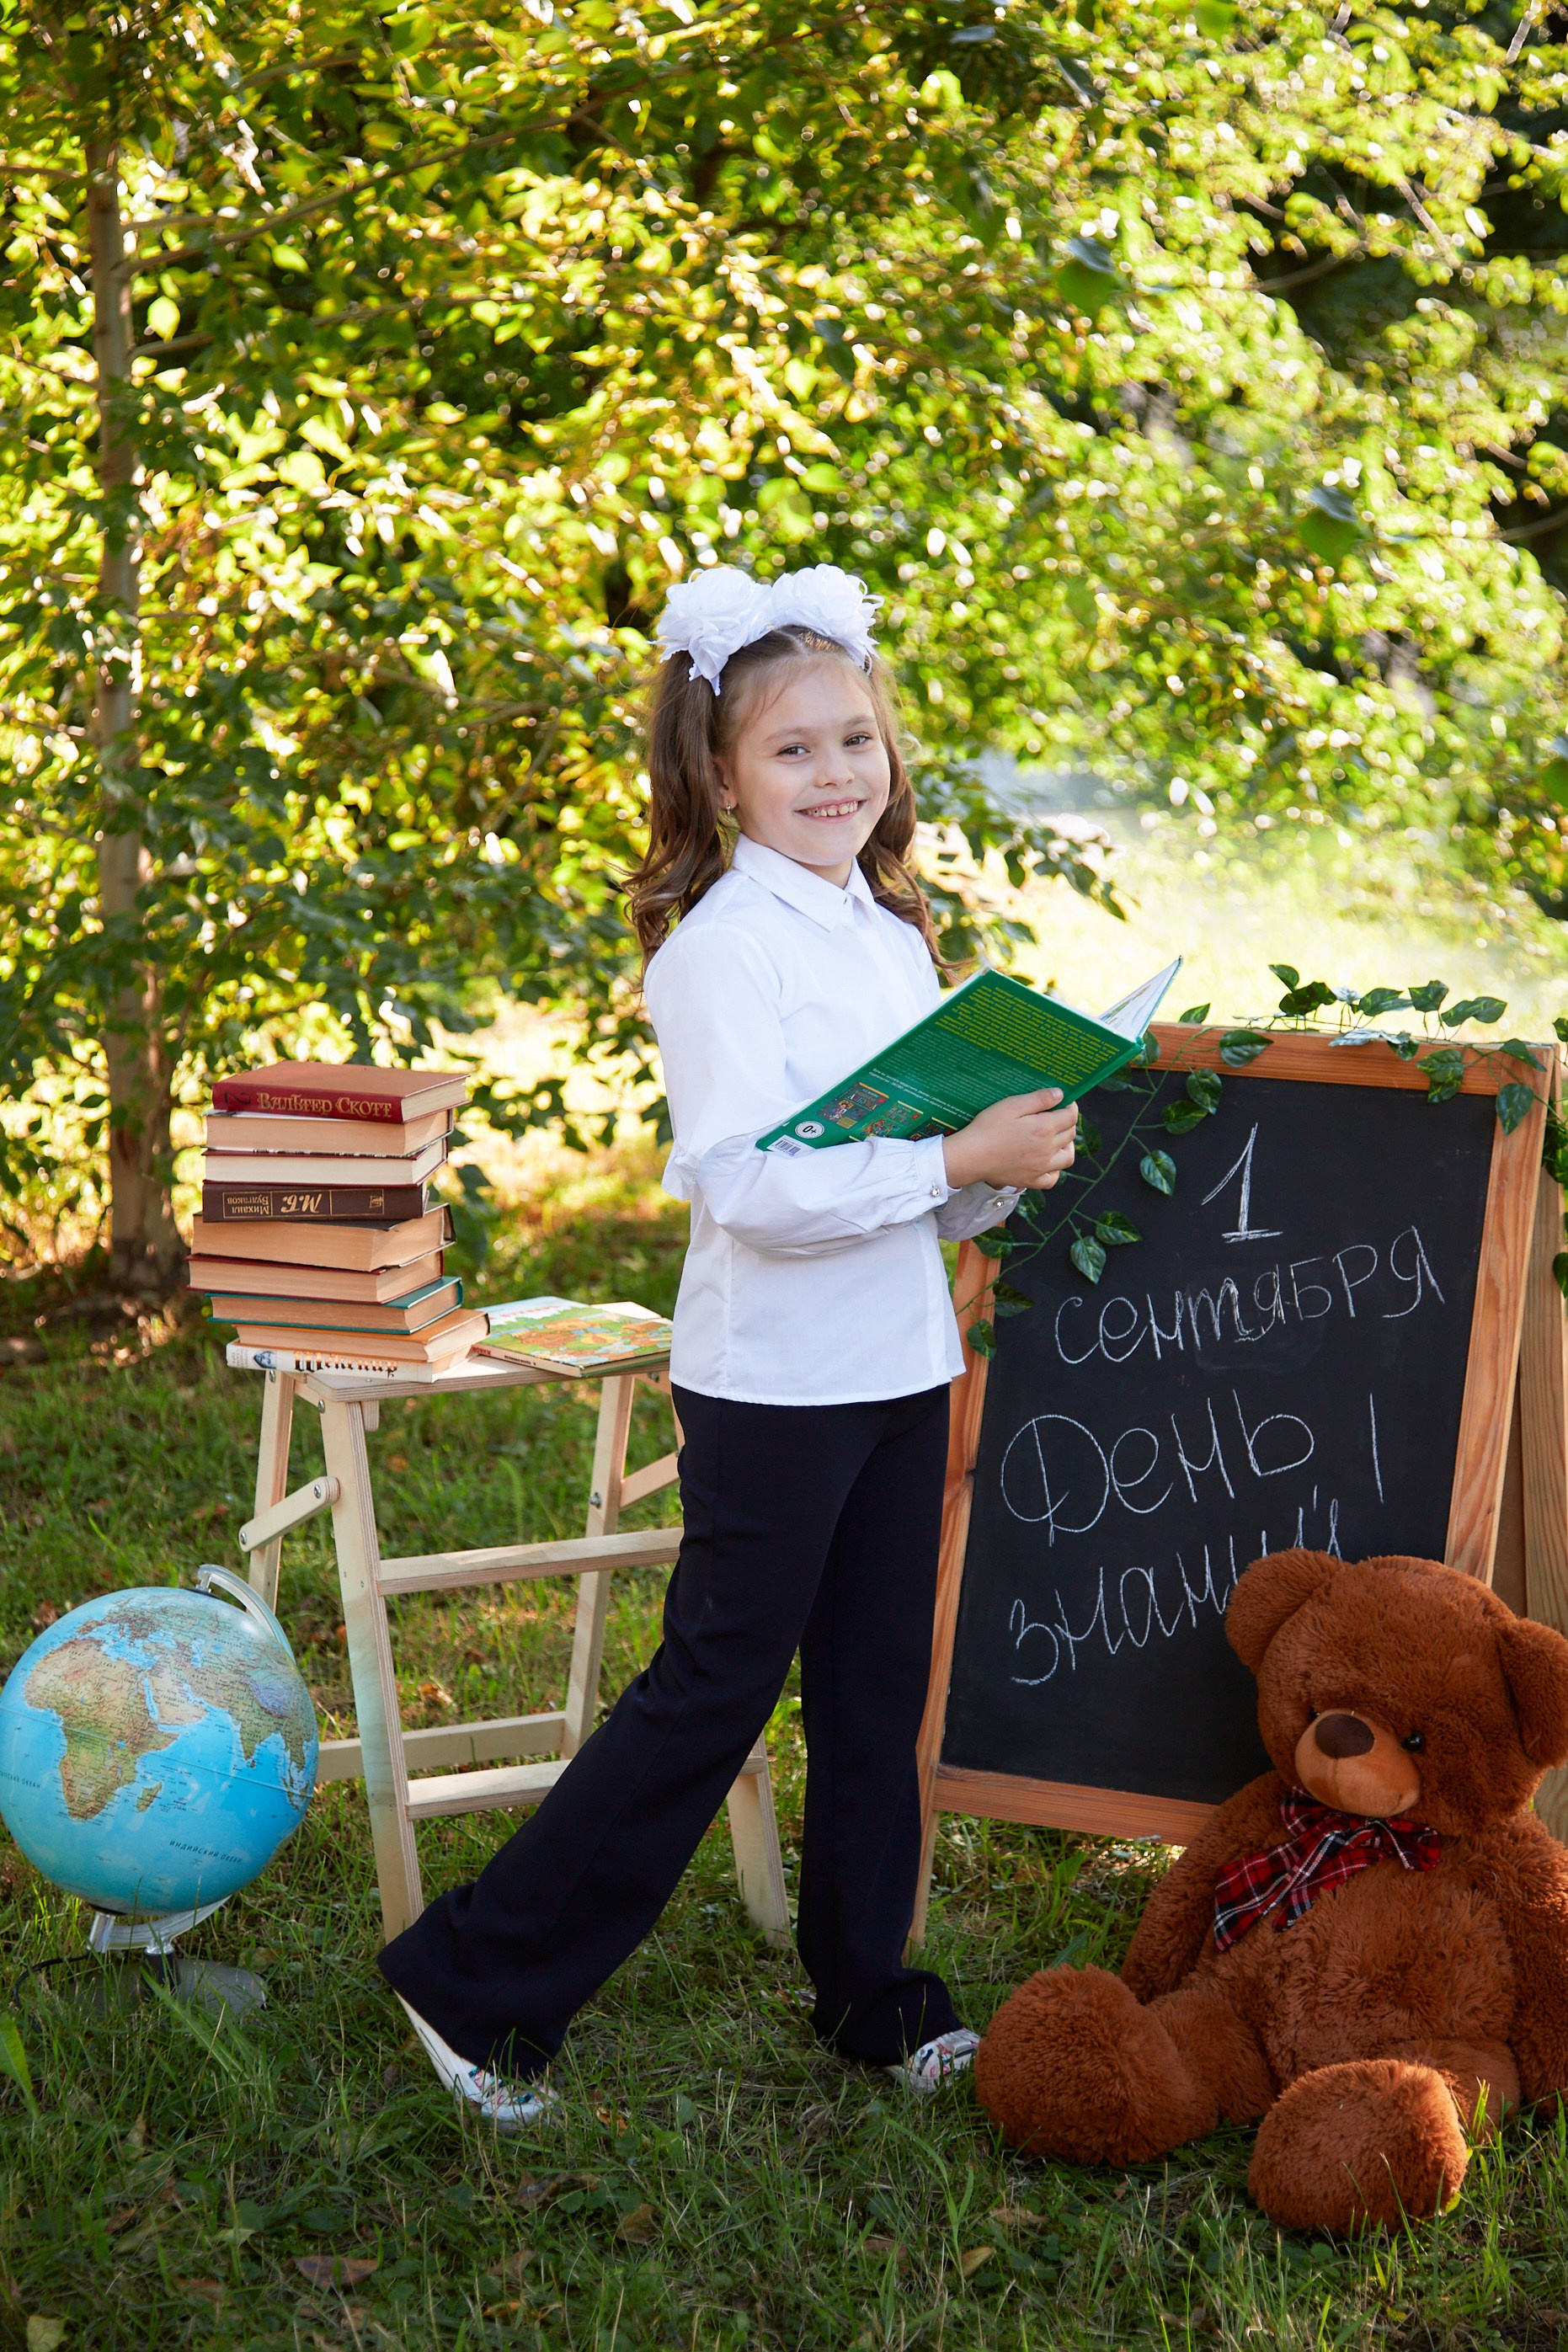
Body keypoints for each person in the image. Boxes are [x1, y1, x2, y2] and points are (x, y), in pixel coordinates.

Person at [378, 564, 1080, 2127]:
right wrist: (952, 1163)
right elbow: (753, 1188)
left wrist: (997, 1167)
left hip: (900, 1365)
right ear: (715, 774)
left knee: (874, 1691)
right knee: (711, 1689)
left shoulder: (888, 934)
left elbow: (901, 1187)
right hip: (774, 1386)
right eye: (792, 751)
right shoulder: (718, 953)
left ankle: (869, 1994)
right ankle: (472, 1983)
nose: (836, 775)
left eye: (857, 742)